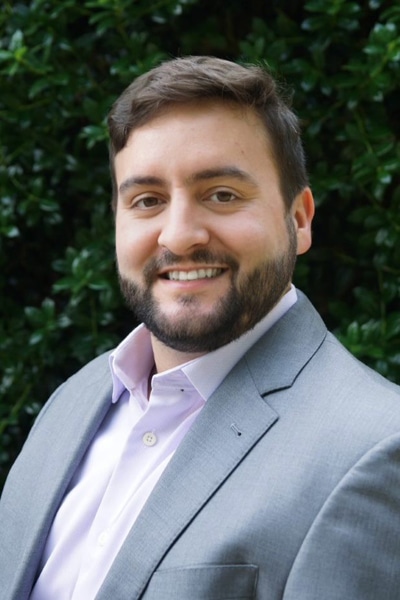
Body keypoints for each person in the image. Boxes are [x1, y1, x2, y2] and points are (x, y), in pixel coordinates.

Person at [1, 56, 400, 600]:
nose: (180, 235)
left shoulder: (375, 447)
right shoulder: (71, 403)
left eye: (222, 194)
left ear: (300, 219)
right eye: (147, 201)